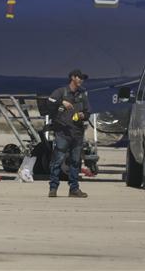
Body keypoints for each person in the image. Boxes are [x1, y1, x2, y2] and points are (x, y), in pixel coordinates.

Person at [47, 69, 90, 198]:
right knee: (57, 160)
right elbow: (49, 101)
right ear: (73, 77)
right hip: (63, 132)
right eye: (79, 77)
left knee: (75, 162)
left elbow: (88, 112)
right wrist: (62, 102)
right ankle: (53, 188)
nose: (81, 80)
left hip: (77, 133)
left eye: (82, 78)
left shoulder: (82, 95)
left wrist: (83, 115)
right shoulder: (61, 92)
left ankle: (74, 189)